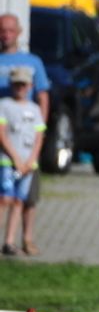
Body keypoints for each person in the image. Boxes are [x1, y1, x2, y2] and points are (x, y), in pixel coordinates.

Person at [0, 68, 45, 256]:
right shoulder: (5, 105)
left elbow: (39, 135)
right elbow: (2, 134)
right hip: (8, 161)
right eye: (17, 84)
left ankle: (9, 241)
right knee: (5, 199)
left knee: (19, 201)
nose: (20, 88)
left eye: (24, 84)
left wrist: (31, 159)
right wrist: (16, 159)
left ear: (30, 86)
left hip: (28, 164)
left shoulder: (34, 109)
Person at [0, 13, 51, 121]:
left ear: (19, 32)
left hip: (24, 124)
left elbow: (42, 96)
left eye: (11, 31)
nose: (6, 35)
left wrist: (40, 128)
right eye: (3, 31)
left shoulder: (33, 62)